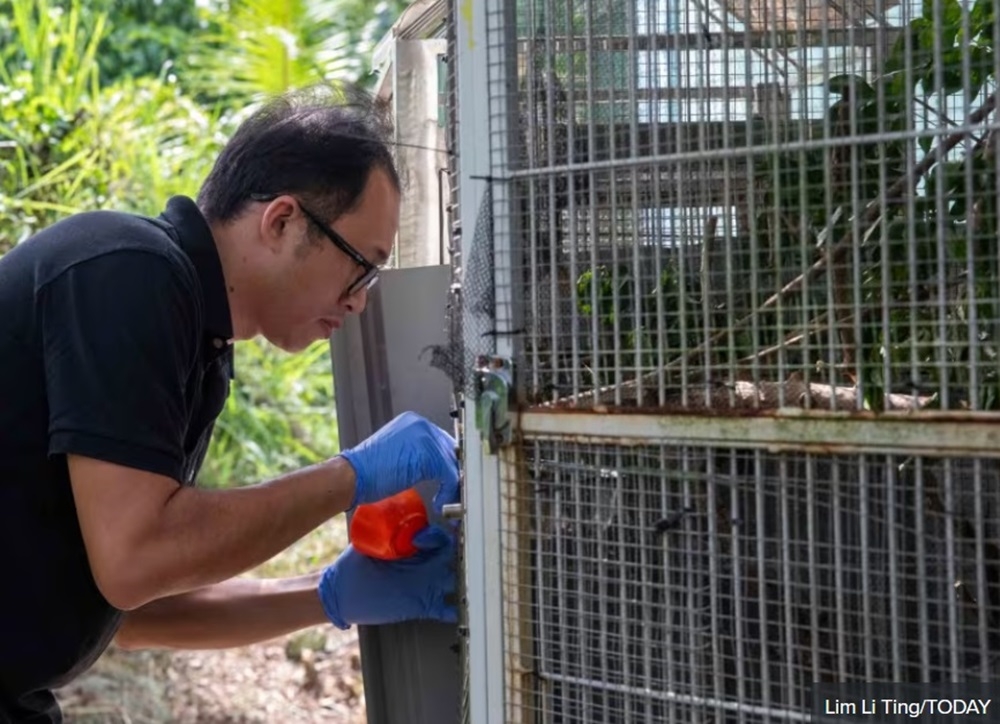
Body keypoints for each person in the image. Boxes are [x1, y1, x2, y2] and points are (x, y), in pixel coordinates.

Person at [0, 84, 460, 723]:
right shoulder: (128, 273)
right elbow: (136, 561)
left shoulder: (197, 341)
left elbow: (130, 612)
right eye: (363, 268)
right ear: (281, 221)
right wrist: (351, 475)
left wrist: (328, 593)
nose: (360, 302)